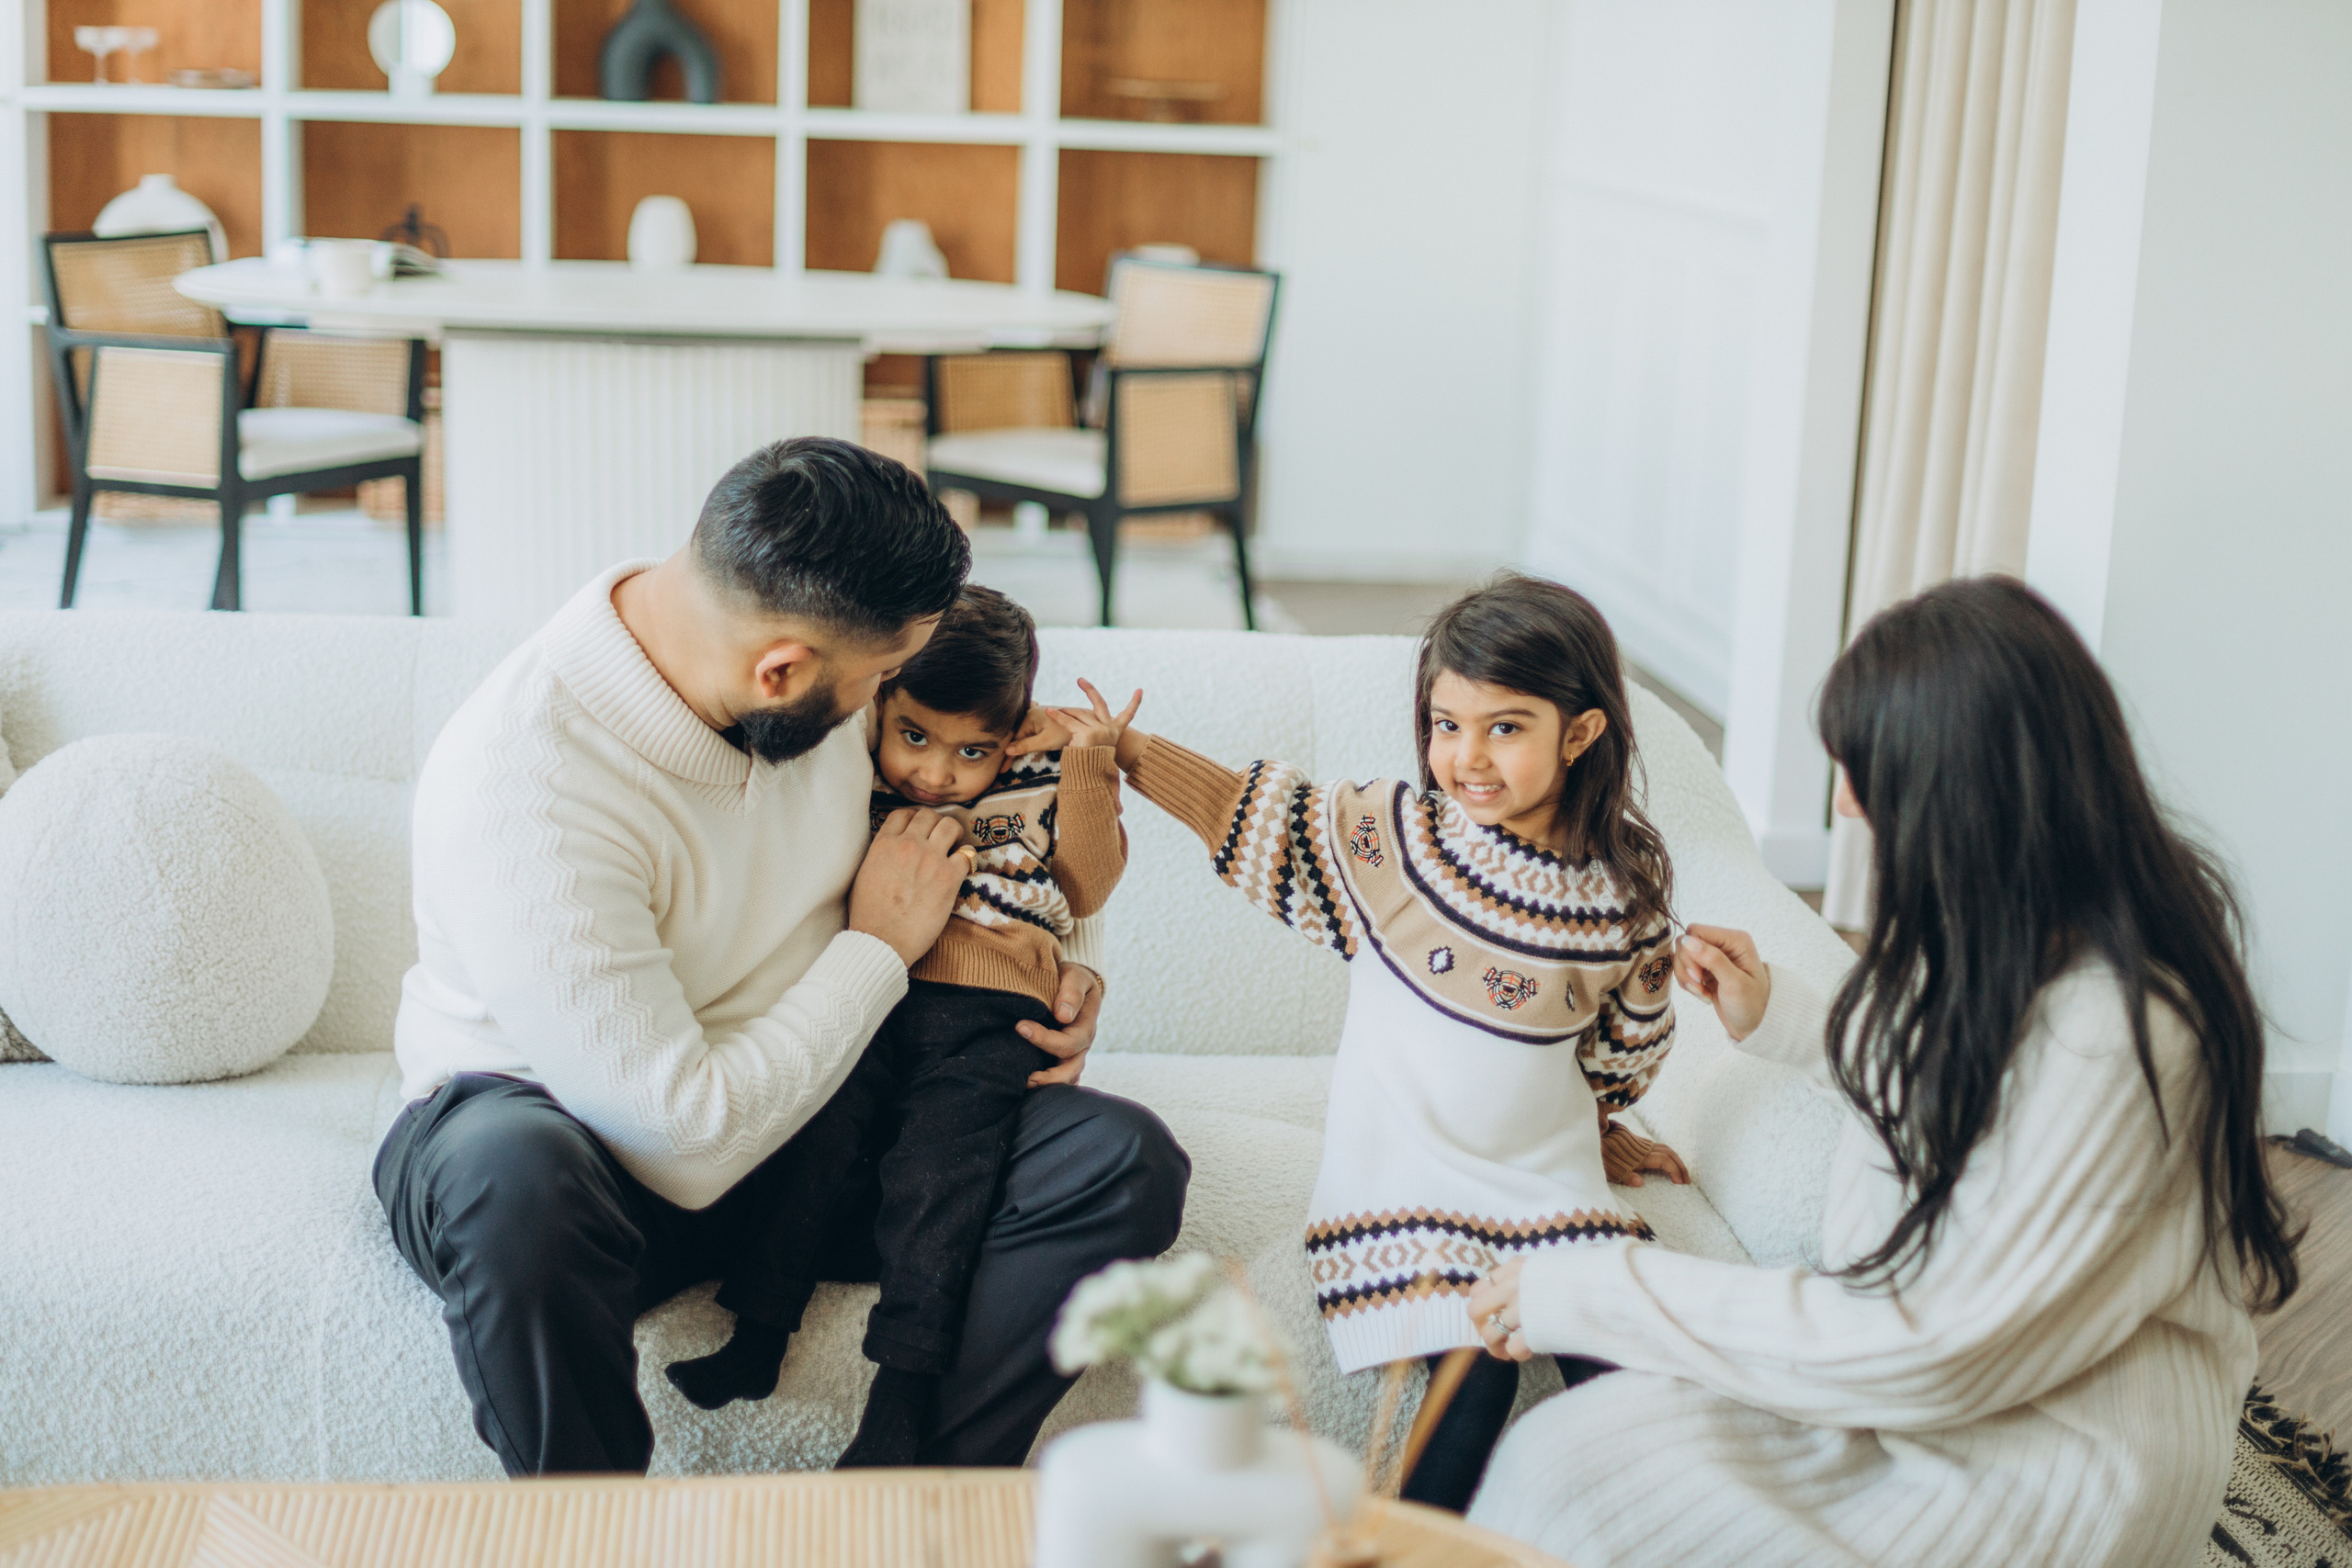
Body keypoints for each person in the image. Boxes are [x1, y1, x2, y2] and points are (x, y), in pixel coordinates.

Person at [374, 437, 1189, 1477]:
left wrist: (1061, 968)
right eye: (881, 682)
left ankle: (902, 1501)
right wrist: (876, 951)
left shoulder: (798, 674)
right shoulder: (521, 784)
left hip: (820, 1127)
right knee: (514, 1186)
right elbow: (684, 1141)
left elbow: (1008, 811)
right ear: (784, 671)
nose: (887, 710)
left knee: (1118, 1162)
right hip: (582, 1146)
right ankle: (591, 1536)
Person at [1464, 576, 2301, 1568]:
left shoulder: (2125, 1029)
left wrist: (1600, 1288)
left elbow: (1934, 1346)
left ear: (1966, 788)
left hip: (2038, 1468)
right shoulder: (2015, 933)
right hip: (1922, 1397)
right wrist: (1782, 1015)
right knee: (1555, 1464)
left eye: (1867, 771)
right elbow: (1966, 1095)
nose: (1850, 802)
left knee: (1581, 1507)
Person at [1057, 573, 1690, 1512]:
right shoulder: (1397, 843)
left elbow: (1626, 1037)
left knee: (1634, 1368)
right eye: (1445, 725)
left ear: (1582, 733)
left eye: (1504, 727)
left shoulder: (1623, 891)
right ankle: (1407, 1541)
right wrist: (1132, 752)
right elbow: (1250, 814)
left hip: (1547, 1186)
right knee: (1474, 1373)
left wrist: (1608, 1128)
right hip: (1410, 1183)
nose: (1466, 757)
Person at [662, 585, 1131, 1467]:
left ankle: (901, 1399)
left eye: (972, 751)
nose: (935, 773)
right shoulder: (851, 763)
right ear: (881, 702)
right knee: (815, 1140)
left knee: (940, 1185)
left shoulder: (1038, 782)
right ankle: (757, 1336)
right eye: (914, 734)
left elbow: (1092, 882)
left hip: (994, 1016)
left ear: (1014, 735)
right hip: (874, 990)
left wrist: (1091, 762)